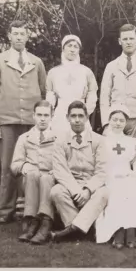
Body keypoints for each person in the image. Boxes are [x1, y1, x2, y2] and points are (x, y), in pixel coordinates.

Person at [0, 20, 47, 224]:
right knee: (7, 166)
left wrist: (42, 120)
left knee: (33, 165)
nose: (19, 37)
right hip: (7, 121)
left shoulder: (36, 62)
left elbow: (43, 92)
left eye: (23, 33)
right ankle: (6, 210)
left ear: (27, 37)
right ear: (9, 36)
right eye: (16, 33)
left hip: (32, 123)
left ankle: (30, 209)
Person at [43, 101, 109, 245]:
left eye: (80, 116)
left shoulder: (99, 140)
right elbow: (60, 170)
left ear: (86, 118)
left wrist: (87, 190)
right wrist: (75, 191)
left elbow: (102, 171)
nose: (77, 120)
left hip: (91, 184)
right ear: (67, 118)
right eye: (73, 116)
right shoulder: (60, 140)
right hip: (70, 184)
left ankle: (72, 230)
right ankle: (82, 227)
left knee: (104, 193)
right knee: (56, 191)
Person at [94, 105, 136, 249]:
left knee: (134, 187)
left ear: (126, 122)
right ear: (109, 121)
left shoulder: (132, 141)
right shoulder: (102, 141)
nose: (117, 123)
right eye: (114, 119)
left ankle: (131, 231)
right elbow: (99, 163)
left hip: (128, 174)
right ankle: (119, 232)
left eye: (121, 120)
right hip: (109, 175)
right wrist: (112, 174)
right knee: (118, 189)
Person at [99, 24, 136, 141]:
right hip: (116, 120)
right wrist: (106, 124)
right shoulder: (111, 66)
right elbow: (104, 98)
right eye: (125, 39)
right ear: (119, 41)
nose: (128, 42)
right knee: (115, 155)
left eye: (131, 38)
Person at [10, 100, 57, 242]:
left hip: (51, 178)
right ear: (34, 116)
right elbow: (14, 164)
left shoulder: (59, 138)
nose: (42, 118)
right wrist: (25, 166)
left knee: (46, 178)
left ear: (52, 116)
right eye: (39, 115)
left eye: (46, 115)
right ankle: (31, 220)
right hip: (31, 179)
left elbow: (65, 162)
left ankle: (45, 222)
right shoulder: (24, 138)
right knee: (33, 174)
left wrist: (56, 171)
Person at [45, 34, 98, 137]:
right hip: (60, 116)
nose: (72, 49)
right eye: (69, 46)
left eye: (75, 46)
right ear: (63, 48)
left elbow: (92, 95)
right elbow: (50, 98)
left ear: (79, 50)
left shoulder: (86, 72)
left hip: (80, 114)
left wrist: (85, 112)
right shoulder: (53, 72)